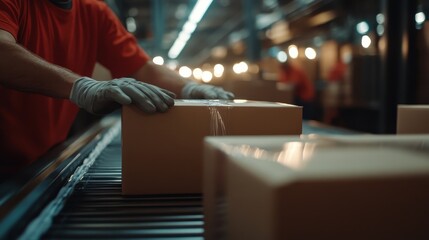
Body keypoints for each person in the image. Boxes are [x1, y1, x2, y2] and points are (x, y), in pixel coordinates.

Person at [0, 0, 234, 177]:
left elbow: (142, 68)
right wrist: (82, 87)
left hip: (42, 161)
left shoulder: (93, 12)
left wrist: (190, 89)